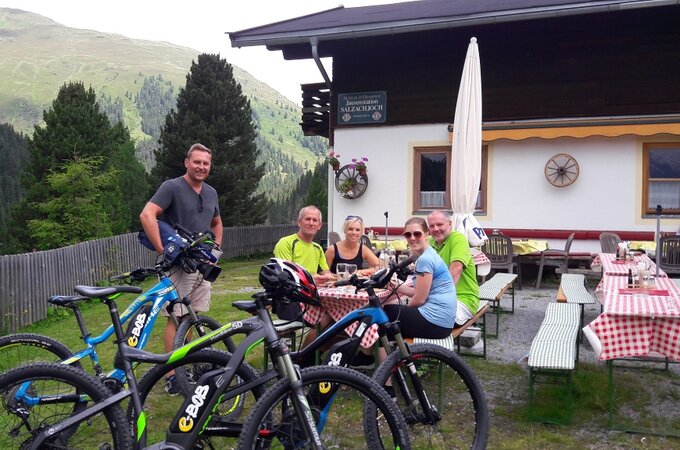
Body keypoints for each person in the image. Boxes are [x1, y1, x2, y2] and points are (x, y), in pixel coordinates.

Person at [139, 143, 223, 394]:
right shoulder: (172, 187)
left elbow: (217, 223)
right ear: (187, 162)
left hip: (200, 263)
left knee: (191, 316)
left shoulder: (211, 192)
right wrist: (161, 250)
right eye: (197, 162)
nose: (201, 167)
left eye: (206, 163)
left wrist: (214, 252)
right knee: (175, 317)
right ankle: (173, 375)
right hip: (178, 266)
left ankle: (186, 366)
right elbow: (147, 215)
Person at [383, 217, 457, 339]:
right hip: (444, 322)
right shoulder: (429, 253)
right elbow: (420, 292)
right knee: (390, 317)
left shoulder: (425, 260)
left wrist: (404, 311)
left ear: (427, 234)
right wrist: (394, 286)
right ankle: (392, 350)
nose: (412, 238)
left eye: (417, 234)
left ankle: (379, 350)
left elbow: (419, 299)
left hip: (436, 322)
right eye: (408, 234)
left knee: (387, 312)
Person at [272, 205, 333, 321]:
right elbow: (286, 277)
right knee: (328, 318)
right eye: (307, 219)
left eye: (315, 220)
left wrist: (345, 276)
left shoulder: (318, 248)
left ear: (319, 225)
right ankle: (313, 334)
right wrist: (311, 280)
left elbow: (327, 274)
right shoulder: (286, 243)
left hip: (311, 298)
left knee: (341, 314)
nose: (311, 223)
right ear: (299, 222)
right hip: (289, 300)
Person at [427, 211, 480, 326]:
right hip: (436, 299)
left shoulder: (458, 239)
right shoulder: (429, 241)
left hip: (462, 299)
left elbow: (456, 270)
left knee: (431, 321)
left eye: (439, 224)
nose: (435, 229)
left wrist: (436, 299)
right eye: (431, 226)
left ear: (450, 224)